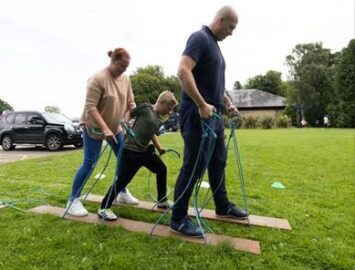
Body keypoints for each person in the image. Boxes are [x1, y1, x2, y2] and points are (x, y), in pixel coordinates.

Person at [171, 6, 248, 237]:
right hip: (196, 115)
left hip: (214, 116)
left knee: (218, 162)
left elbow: (216, 85)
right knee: (194, 166)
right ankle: (178, 219)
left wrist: (228, 103)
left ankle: (222, 206)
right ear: (221, 20)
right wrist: (201, 104)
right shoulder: (200, 38)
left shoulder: (215, 47)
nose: (231, 33)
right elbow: (183, 71)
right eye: (231, 27)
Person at [65, 47, 139, 217]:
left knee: (124, 160)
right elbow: (90, 107)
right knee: (90, 163)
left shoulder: (125, 79)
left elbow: (130, 104)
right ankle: (73, 200)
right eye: (122, 66)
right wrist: (105, 128)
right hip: (94, 127)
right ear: (113, 61)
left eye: (127, 67)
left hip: (116, 128)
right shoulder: (98, 79)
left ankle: (121, 192)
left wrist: (125, 121)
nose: (124, 70)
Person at [97, 90, 178, 221]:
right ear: (162, 103)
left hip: (145, 152)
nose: (169, 111)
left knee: (161, 169)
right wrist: (125, 122)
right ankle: (103, 208)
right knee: (122, 181)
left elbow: (151, 132)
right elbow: (129, 111)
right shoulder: (146, 108)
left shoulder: (158, 117)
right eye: (169, 108)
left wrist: (159, 148)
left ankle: (162, 201)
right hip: (131, 152)